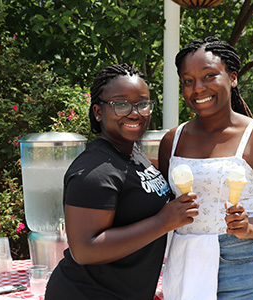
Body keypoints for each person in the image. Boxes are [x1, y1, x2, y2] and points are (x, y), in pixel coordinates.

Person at [159, 37, 253, 300]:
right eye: (188, 81)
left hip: (243, 269)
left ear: (233, 77)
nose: (197, 88)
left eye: (209, 76)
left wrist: (250, 228)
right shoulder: (172, 140)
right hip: (184, 262)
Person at [45, 63, 199, 300]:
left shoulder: (133, 155)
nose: (134, 112)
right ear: (98, 112)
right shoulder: (95, 170)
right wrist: (162, 221)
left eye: (143, 104)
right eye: (120, 104)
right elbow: (85, 250)